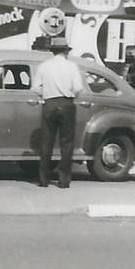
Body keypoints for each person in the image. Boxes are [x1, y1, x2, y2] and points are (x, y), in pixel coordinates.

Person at [31, 36, 86, 188]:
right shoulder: (72, 67)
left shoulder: (44, 66)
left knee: (46, 142)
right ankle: (63, 181)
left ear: (53, 51)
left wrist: (46, 92)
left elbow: (35, 87)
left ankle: (43, 180)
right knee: (66, 143)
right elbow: (78, 89)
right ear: (66, 51)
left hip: (49, 103)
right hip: (66, 103)